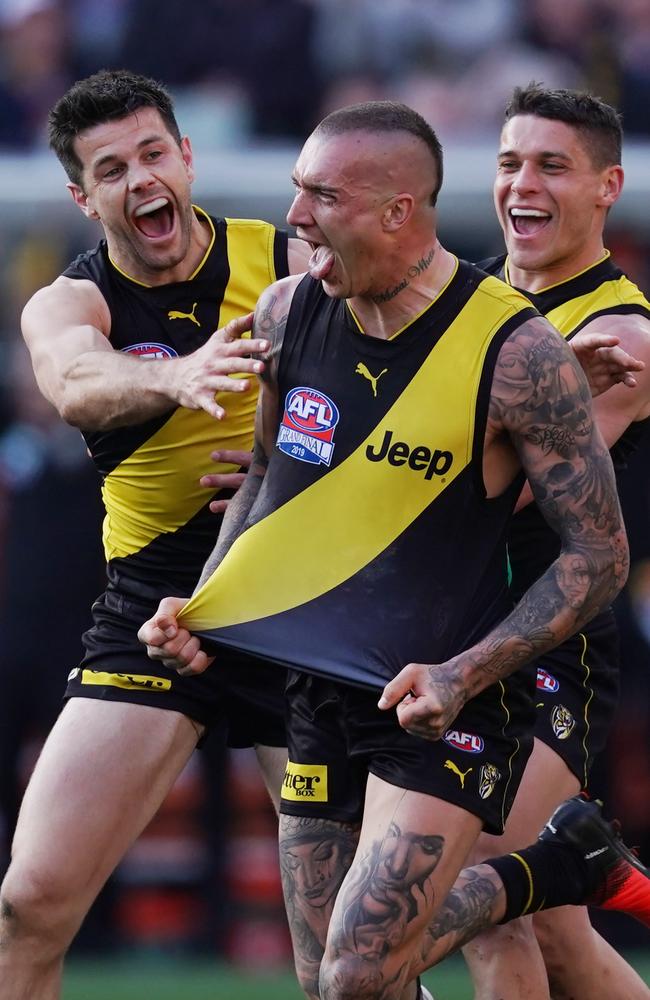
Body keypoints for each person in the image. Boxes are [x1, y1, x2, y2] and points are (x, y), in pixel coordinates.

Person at [138, 101, 647, 1000]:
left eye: (320, 196)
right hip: (322, 678)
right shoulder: (289, 311)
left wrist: (462, 672)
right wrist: (206, 602)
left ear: (397, 212)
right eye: (298, 192)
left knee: (363, 969)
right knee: (326, 977)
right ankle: (557, 866)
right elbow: (266, 475)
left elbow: (599, 556)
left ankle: (550, 867)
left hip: (450, 689)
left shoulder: (525, 351)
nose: (294, 217)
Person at [0, 68, 310, 999]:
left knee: (349, 948)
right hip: (152, 612)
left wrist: (282, 470)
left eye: (150, 154)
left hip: (297, 606)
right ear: (82, 196)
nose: (139, 180)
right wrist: (176, 377)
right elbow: (73, 383)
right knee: (28, 905)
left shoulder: (291, 262)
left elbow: (410, 368)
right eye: (110, 169)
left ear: (186, 158)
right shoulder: (69, 302)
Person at [458, 85, 650, 1000]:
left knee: (478, 901)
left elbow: (511, 490)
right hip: (449, 631)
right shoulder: (465, 301)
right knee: (553, 934)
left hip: (547, 648)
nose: (521, 184)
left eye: (551, 166)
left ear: (608, 186)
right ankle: (592, 864)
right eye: (507, 163)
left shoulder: (622, 333)